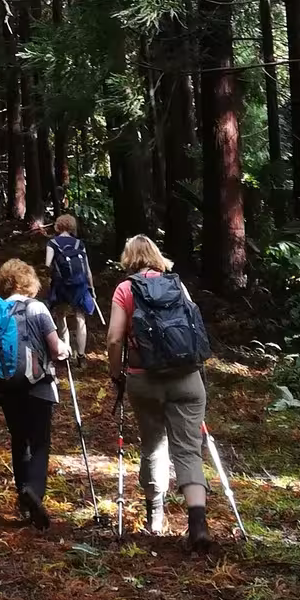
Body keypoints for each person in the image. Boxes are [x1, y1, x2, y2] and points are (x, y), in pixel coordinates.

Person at [106, 233, 213, 551]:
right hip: (187, 377)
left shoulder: (126, 289)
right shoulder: (177, 285)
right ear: (156, 255)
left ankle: (155, 516)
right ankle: (198, 523)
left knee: (153, 445)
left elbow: (114, 338)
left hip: (144, 378)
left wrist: (116, 372)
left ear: (129, 259)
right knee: (188, 450)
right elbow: (195, 325)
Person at [0, 258, 68, 529]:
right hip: (38, 386)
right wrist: (65, 350)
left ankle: (23, 497)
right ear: (29, 282)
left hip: (6, 387)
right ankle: (34, 491)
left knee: (19, 439)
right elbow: (56, 349)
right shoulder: (37, 308)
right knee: (40, 440)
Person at [45, 213, 99, 359]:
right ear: (72, 226)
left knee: (61, 315)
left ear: (58, 225)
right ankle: (81, 355)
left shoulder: (52, 243)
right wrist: (91, 289)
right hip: (79, 285)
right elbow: (87, 270)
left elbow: (47, 265)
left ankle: (66, 350)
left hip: (61, 285)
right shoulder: (79, 244)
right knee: (80, 318)